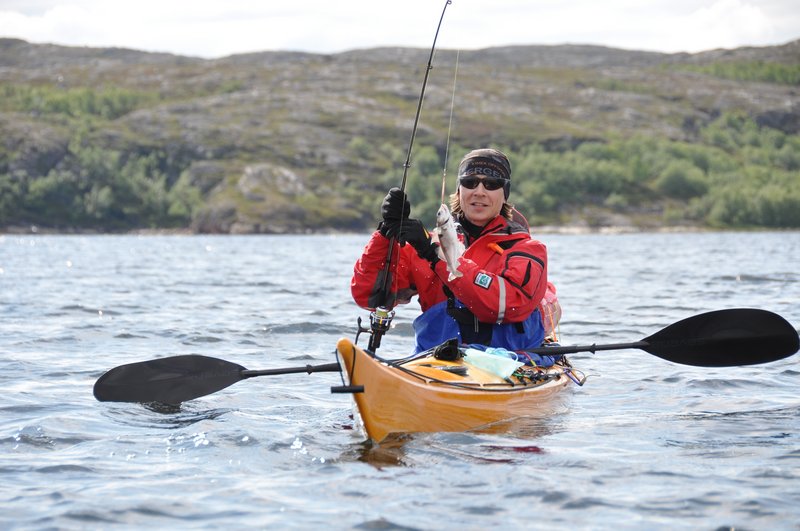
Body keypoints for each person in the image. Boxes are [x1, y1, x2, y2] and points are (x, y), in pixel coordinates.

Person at [351, 148, 559, 354]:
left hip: (508, 363)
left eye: (491, 184)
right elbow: (369, 296)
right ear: (459, 191)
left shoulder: (528, 250)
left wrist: (436, 256)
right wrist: (385, 235)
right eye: (470, 182)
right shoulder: (426, 246)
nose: (479, 191)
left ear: (505, 194)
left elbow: (506, 306)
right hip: (435, 361)